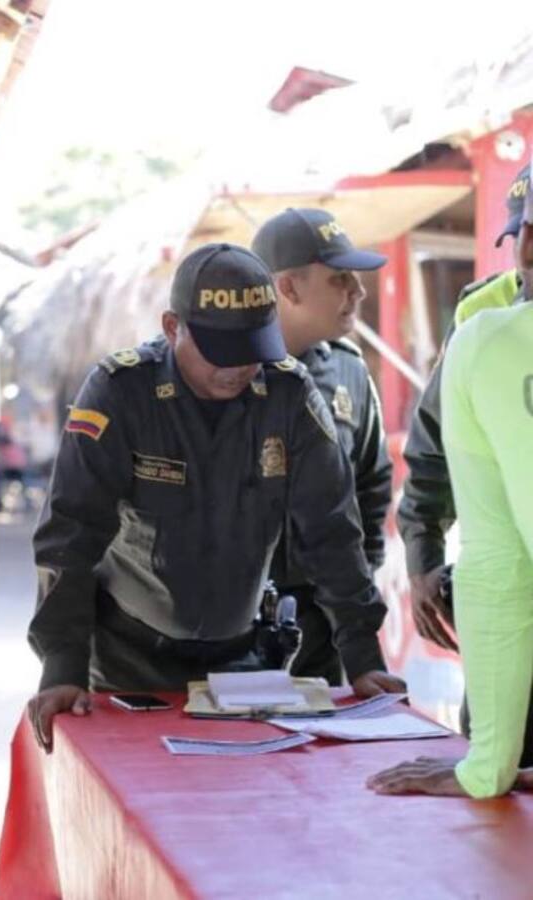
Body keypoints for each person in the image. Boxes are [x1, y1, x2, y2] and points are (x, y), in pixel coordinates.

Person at [26, 243, 405, 751]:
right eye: (220, 351)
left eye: (252, 349)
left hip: (243, 662)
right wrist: (61, 665)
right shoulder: (121, 391)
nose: (237, 368)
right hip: (126, 659)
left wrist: (363, 658)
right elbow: (70, 536)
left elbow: (332, 531)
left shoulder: (289, 395)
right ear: (171, 326)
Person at [368, 266, 533, 798]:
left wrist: (487, 769)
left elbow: (498, 564)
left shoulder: (491, 343)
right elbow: (432, 461)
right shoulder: (483, 326)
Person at [396, 165, 533, 762]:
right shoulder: (483, 319)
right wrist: (423, 557)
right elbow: (433, 447)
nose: (527, 257)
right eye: (523, 237)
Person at [251, 209, 393, 685]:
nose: (359, 292)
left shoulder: (351, 371)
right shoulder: (222, 374)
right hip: (229, 622)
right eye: (341, 279)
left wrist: (358, 581)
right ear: (288, 288)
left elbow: (371, 487)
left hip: (325, 624)